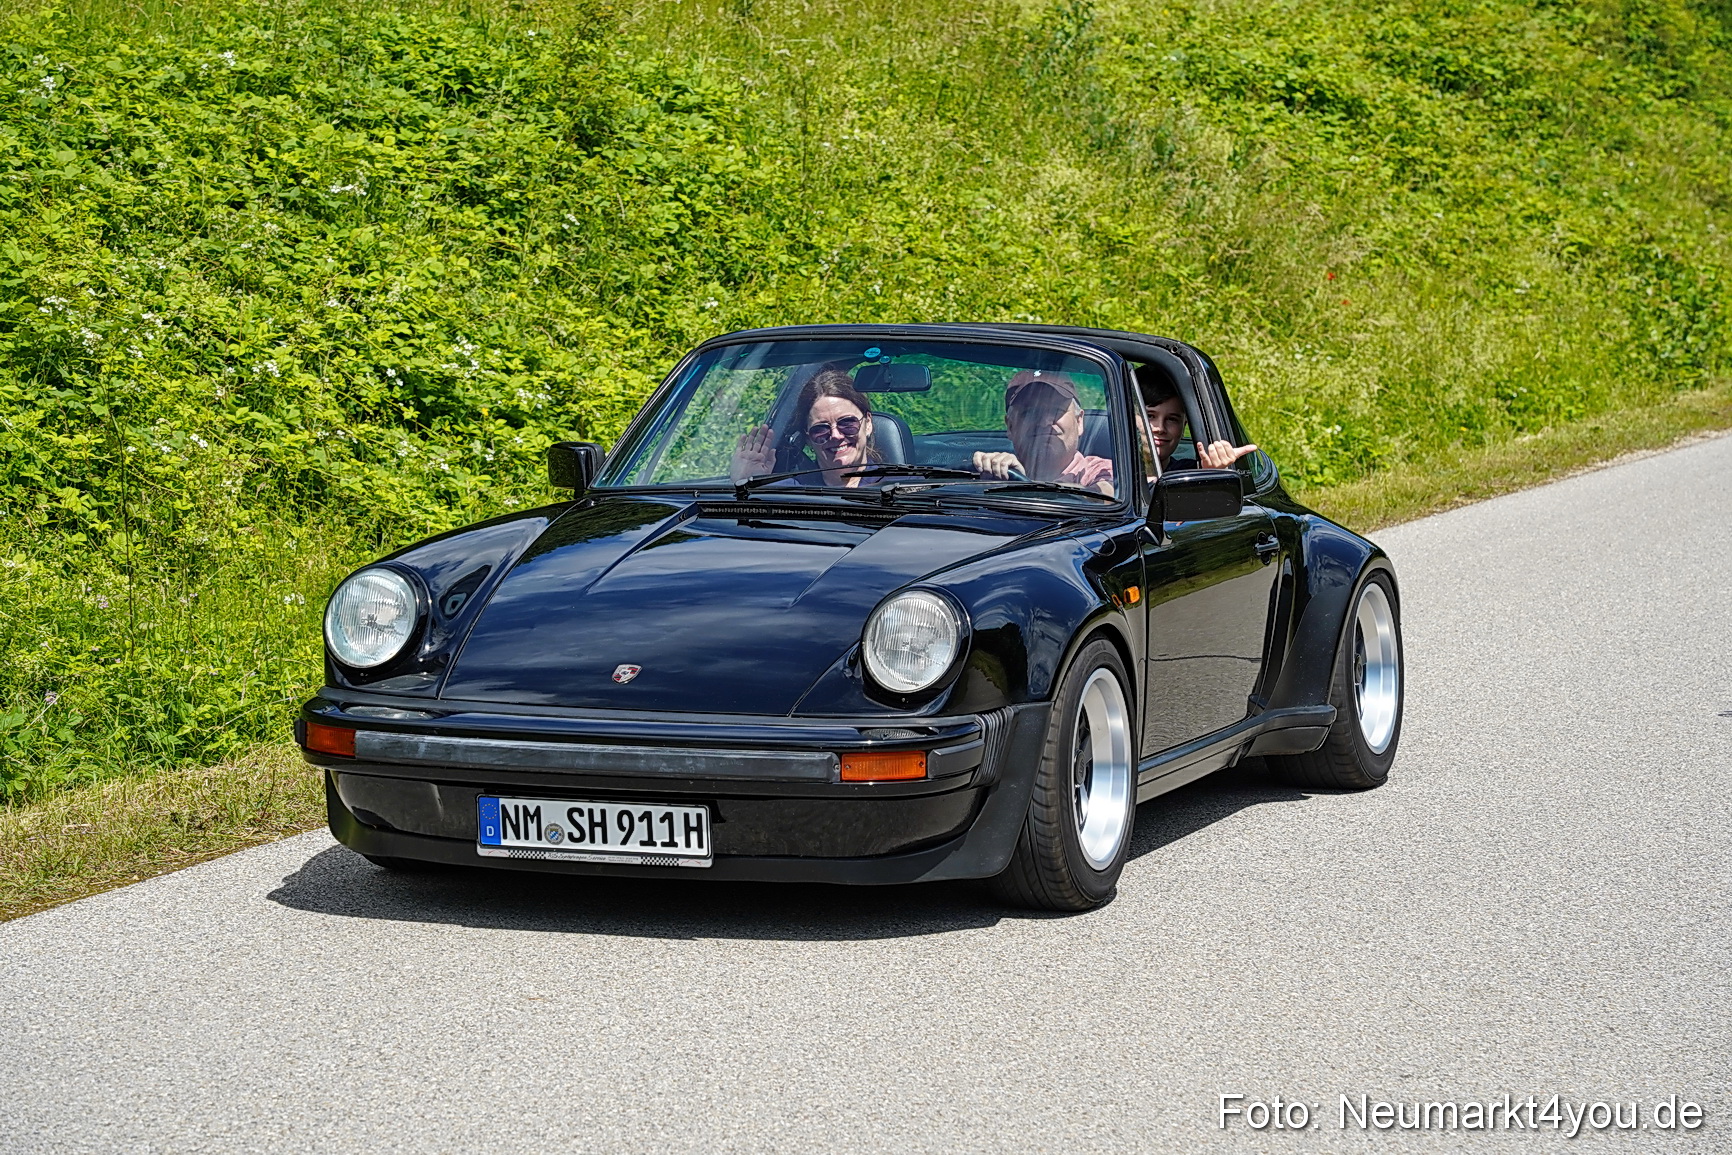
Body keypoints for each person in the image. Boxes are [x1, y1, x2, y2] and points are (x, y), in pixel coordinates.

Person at [730, 369, 882, 487]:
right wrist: (747, 485)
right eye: (820, 429)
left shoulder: (901, 489)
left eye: (847, 422)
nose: (836, 435)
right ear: (808, 438)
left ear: (868, 423)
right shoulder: (787, 494)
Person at [971, 371, 1115, 495]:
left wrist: (1024, 487)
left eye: (1056, 411)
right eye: (1030, 413)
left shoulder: (1103, 471)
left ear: (1079, 421)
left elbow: (1106, 497)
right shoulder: (992, 472)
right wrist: (989, 476)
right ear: (1010, 426)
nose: (1044, 421)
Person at [1139, 370, 1257, 473]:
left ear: (1184, 424)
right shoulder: (1119, 476)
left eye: (1172, 419)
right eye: (1149, 416)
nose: (1160, 428)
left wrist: (1212, 473)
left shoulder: (1188, 474)